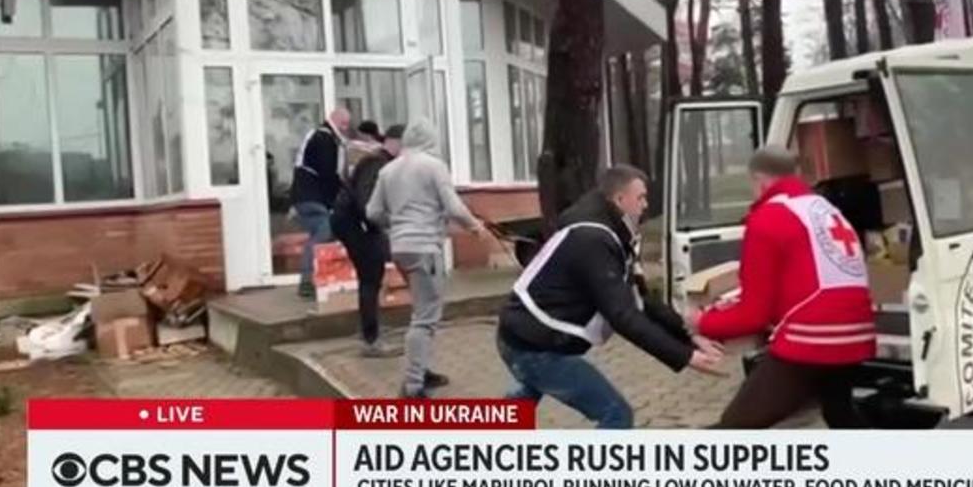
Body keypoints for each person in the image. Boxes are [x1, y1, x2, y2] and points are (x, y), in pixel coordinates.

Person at [496, 165, 725, 429]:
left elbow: (640, 300)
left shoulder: (614, 234)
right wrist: (686, 357)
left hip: (525, 338)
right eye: (640, 198)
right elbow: (624, 316)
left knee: (516, 411)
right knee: (616, 414)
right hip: (535, 347)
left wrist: (690, 336)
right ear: (619, 200)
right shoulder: (594, 240)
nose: (646, 205)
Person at [691, 146, 875, 429]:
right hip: (857, 334)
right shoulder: (827, 210)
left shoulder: (768, 217)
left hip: (812, 340)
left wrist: (704, 322)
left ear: (759, 181)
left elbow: (753, 314)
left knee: (735, 427)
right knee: (839, 413)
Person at [366, 120, 486, 397]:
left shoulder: (388, 169)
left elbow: (373, 212)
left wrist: (397, 223)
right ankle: (413, 386)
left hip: (400, 248)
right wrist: (474, 226)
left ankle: (421, 369)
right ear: (431, 139)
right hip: (424, 248)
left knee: (421, 311)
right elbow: (453, 206)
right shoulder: (434, 166)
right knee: (425, 318)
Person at [331, 125, 405, 357]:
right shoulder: (376, 164)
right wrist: (380, 224)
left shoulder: (381, 162)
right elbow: (366, 201)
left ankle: (369, 328)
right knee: (371, 277)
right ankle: (371, 339)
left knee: (372, 275)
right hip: (355, 224)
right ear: (395, 143)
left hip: (357, 223)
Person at [290, 108, 351, 299]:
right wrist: (339, 198)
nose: (346, 128)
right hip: (312, 197)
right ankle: (308, 281)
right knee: (323, 233)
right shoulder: (325, 140)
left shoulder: (318, 136)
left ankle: (323, 280)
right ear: (337, 121)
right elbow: (328, 175)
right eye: (345, 124)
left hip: (305, 196)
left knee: (325, 233)